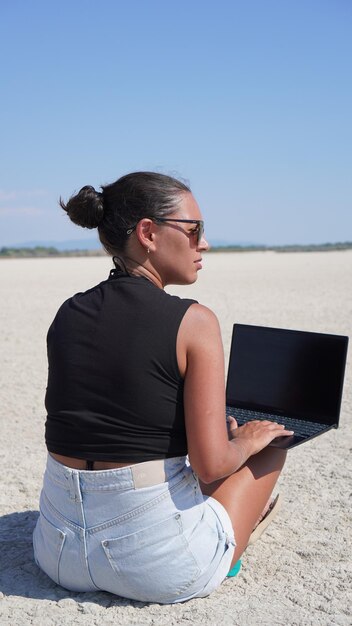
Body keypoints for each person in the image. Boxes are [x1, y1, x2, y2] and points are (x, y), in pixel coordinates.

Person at [33, 171, 293, 604]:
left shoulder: (68, 312)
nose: (204, 243)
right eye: (194, 231)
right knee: (273, 439)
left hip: (58, 555)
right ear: (148, 233)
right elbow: (211, 466)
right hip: (155, 567)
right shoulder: (194, 321)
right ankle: (228, 546)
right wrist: (247, 441)